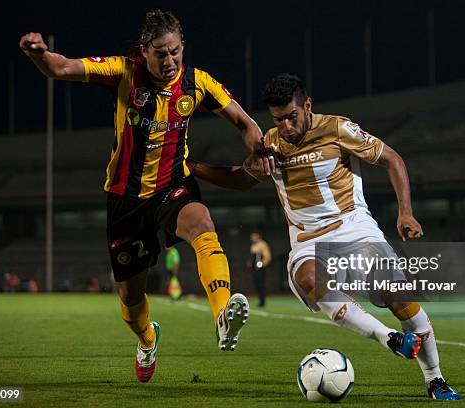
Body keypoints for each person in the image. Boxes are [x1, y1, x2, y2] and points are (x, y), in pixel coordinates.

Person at [19, 9, 274, 383]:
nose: (169, 61)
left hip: (174, 186)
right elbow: (63, 68)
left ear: (183, 47)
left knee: (203, 224)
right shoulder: (123, 72)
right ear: (144, 51)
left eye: (175, 52)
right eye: (160, 53)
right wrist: (39, 54)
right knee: (130, 299)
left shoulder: (197, 83)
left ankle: (222, 314)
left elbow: (244, 123)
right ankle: (147, 338)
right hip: (125, 201)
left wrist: (259, 148)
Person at [189, 74, 461, 400]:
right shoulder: (270, 145)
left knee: (397, 295)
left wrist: (405, 212)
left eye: (292, 116)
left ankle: (436, 379)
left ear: (307, 106)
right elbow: (239, 180)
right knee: (308, 277)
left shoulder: (338, 129)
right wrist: (190, 167)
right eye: (278, 119)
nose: (287, 125)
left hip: (355, 228)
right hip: (307, 242)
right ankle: (388, 337)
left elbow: (392, 159)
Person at [248, 232, 271, 307]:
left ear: (258, 237)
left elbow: (267, 257)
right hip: (254, 268)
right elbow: (252, 257)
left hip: (260, 269)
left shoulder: (263, 244)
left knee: (261, 284)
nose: (253, 239)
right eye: (252, 237)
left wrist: (261, 264)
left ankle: (262, 301)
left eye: (254, 237)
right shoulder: (253, 246)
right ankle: (260, 300)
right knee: (256, 284)